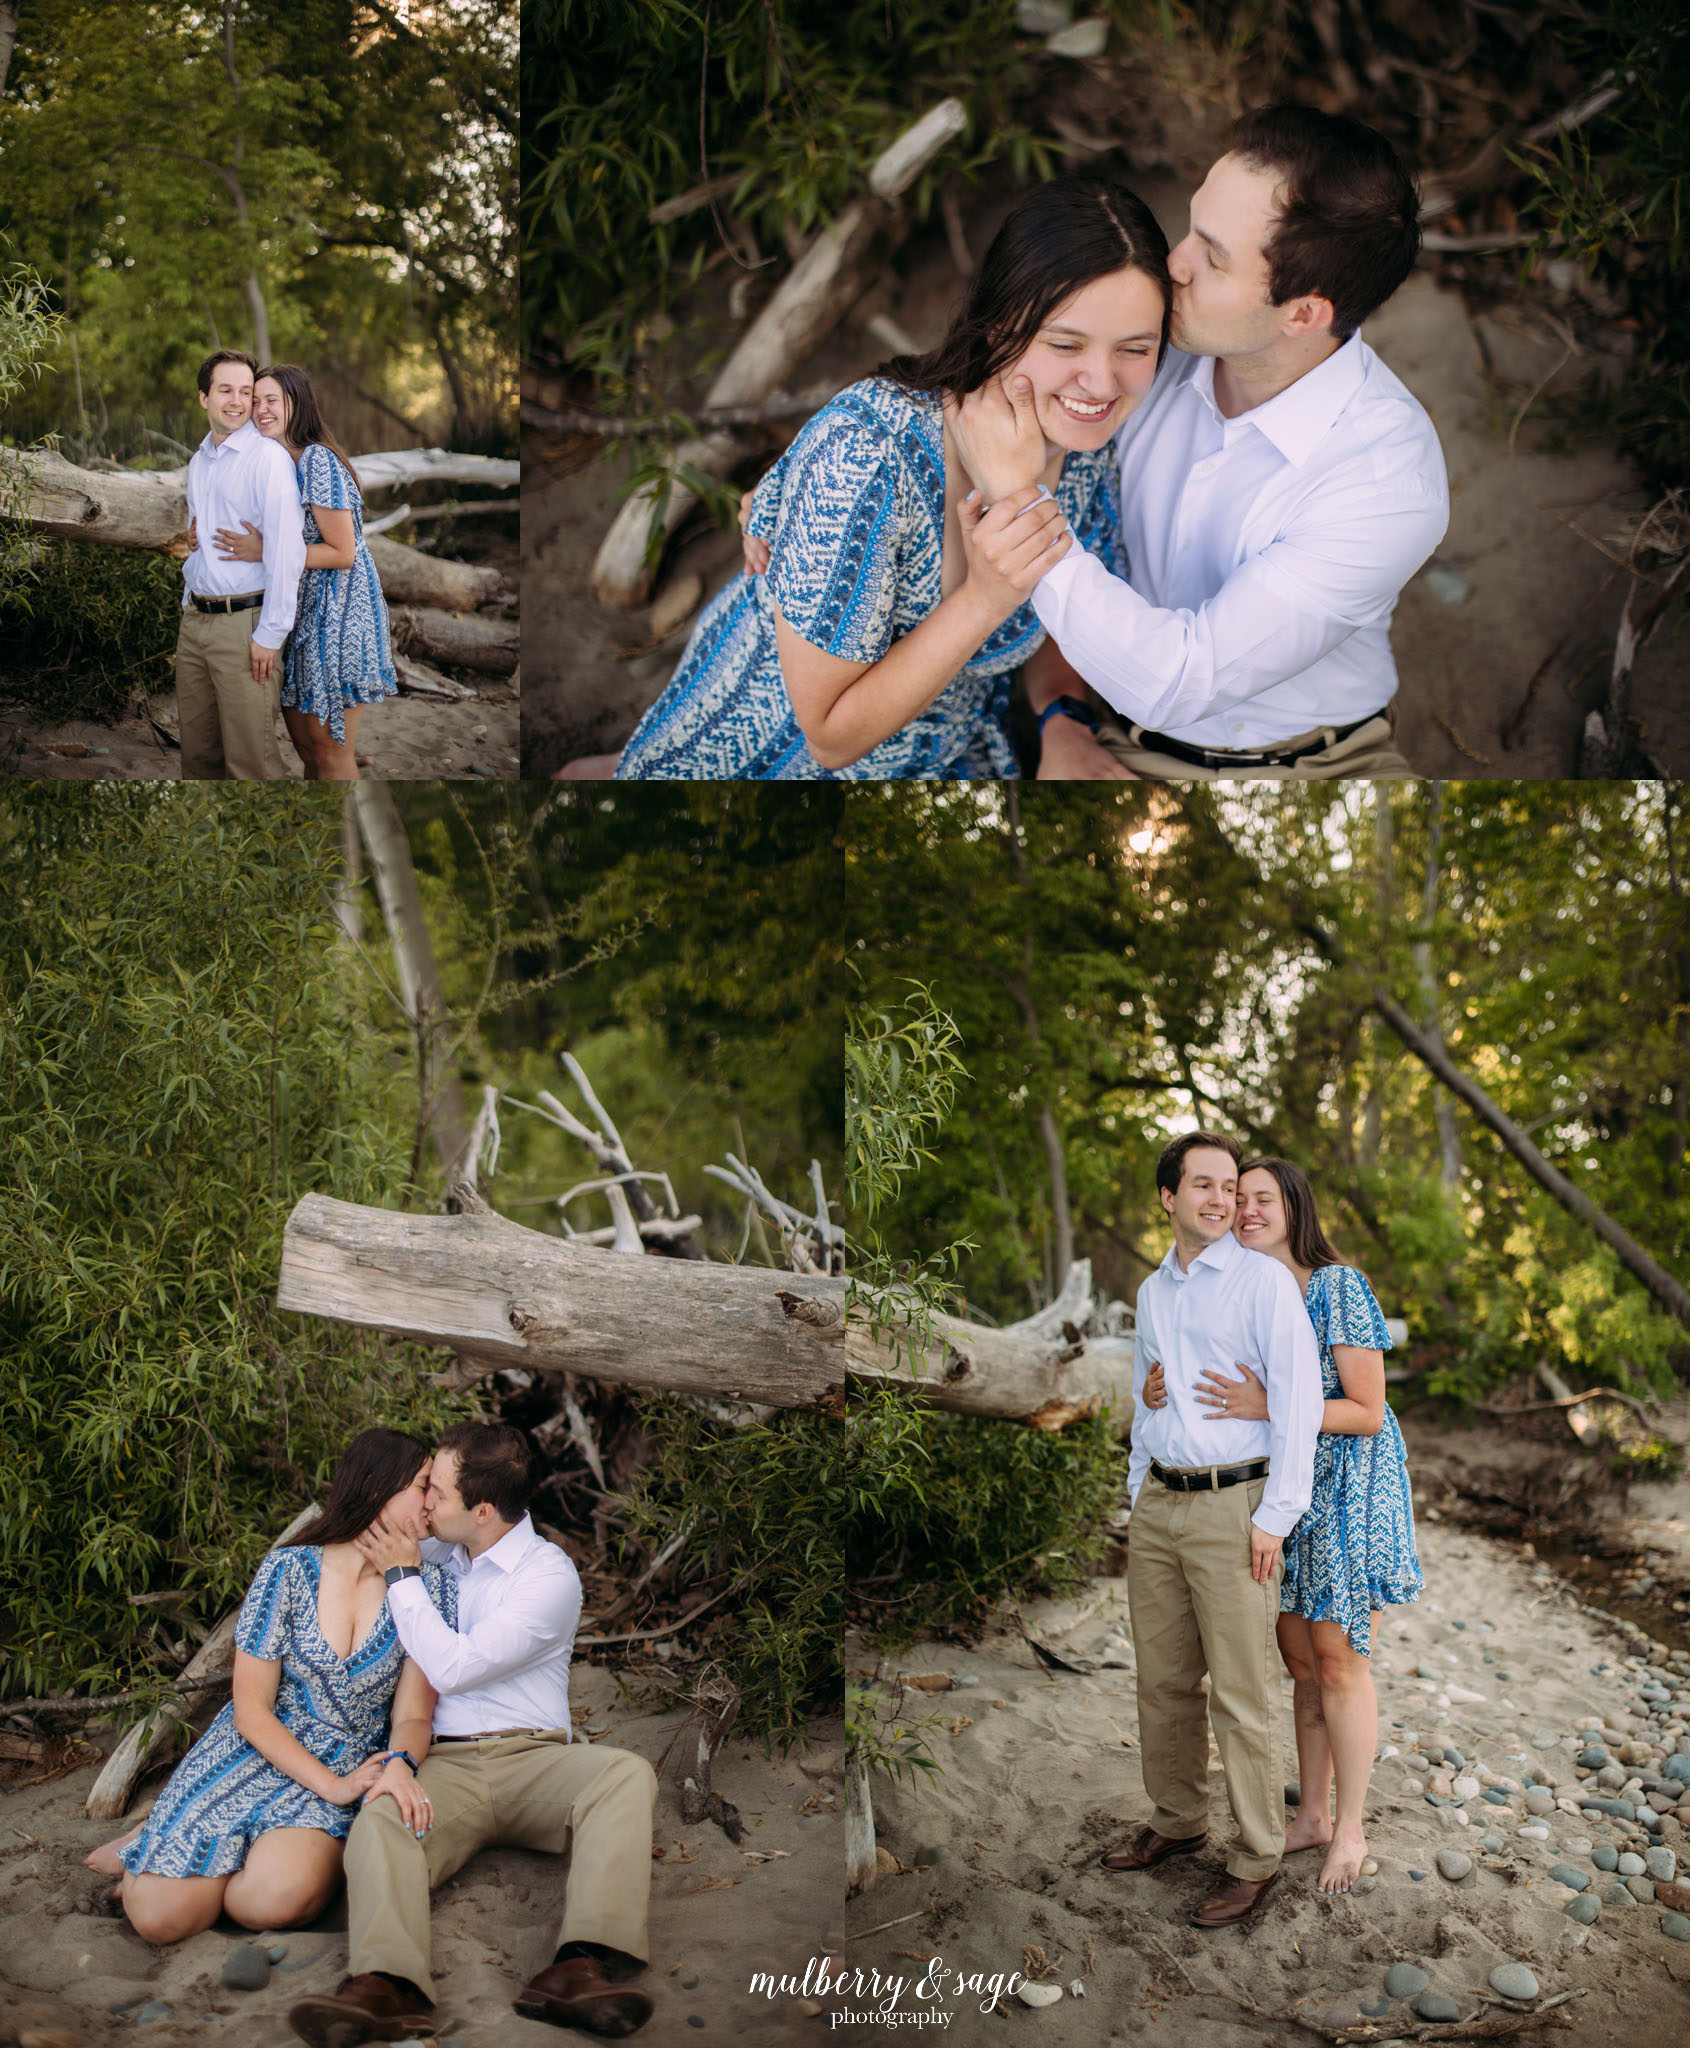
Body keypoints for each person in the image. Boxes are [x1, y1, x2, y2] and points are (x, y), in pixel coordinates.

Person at [592, 172, 1171, 780]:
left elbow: (1062, 614)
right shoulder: (865, 455)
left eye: (1135, 349)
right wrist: (984, 597)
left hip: (949, 750)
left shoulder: (1090, 452)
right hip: (768, 755)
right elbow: (830, 738)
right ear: (1001, 325)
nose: (1103, 384)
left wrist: (1064, 723)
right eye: (1066, 345)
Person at [948, 104, 1451, 780]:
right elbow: (996, 378)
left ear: (1303, 314)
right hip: (1101, 728)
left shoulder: (1389, 483)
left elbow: (1178, 681)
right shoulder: (1149, 341)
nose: (1173, 262)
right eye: (1191, 227)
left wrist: (1017, 498)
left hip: (1319, 762)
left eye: (1211, 257)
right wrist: (796, 488)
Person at [286, 1421, 659, 2046]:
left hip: (535, 1761)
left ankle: (582, 1966)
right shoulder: (433, 1551)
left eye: (435, 1490)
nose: (424, 1500)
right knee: (380, 1818)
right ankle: (386, 1985)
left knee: (625, 1773)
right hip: (446, 1767)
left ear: (482, 1510)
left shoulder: (548, 1576)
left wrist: (404, 1581)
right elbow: (357, 1543)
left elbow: (453, 1668)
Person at [1142, 1158, 1423, 1893]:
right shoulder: (1242, 1286)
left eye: (1263, 1199)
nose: (1246, 1211)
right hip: (1276, 1485)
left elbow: (1366, 1410)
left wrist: (1267, 1405)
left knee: (1337, 1658)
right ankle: (1313, 1816)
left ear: (1296, 1207)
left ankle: (1351, 1827)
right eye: (1240, 1199)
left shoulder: (1336, 1286)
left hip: (1343, 1488)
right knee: (1297, 1659)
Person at [83, 1430, 451, 1946]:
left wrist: (397, 1765)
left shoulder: (430, 1589)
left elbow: (414, 1716)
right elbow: (250, 1710)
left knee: (274, 1900)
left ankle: (166, 1849)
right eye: (421, 1486)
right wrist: (330, 1786)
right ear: (378, 1488)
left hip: (350, 1757)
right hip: (257, 1750)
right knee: (161, 1920)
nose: (432, 1502)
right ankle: (158, 1851)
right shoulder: (288, 1570)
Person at [1105, 1131, 1322, 1928]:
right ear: (1168, 1198)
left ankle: (1257, 1856)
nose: (1221, 1200)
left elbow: (1298, 1405)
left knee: (1243, 1691)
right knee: (1161, 1679)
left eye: (1229, 1187)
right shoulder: (1152, 1292)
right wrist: (1136, 1498)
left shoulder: (1265, 1284)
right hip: (1161, 1506)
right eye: (1203, 1185)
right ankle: (1177, 1819)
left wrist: (1275, 1515)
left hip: (1237, 1508)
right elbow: (1144, 1398)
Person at [212, 364, 398, 780]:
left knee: (329, 753)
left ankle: (343, 838)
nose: (259, 410)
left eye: (271, 401)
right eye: (255, 401)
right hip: (302, 611)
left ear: (297, 404)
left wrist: (265, 551)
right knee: (309, 750)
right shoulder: (275, 461)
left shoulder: (316, 459)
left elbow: (343, 552)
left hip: (338, 614)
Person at [175, 348, 307, 780]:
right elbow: (199, 538)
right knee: (197, 759)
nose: (237, 401)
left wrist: (270, 634)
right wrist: (186, 599)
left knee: (251, 765)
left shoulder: (266, 458)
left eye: (246, 392)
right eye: (225, 390)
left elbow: (288, 550)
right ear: (204, 398)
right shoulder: (199, 462)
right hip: (195, 623)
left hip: (244, 624)